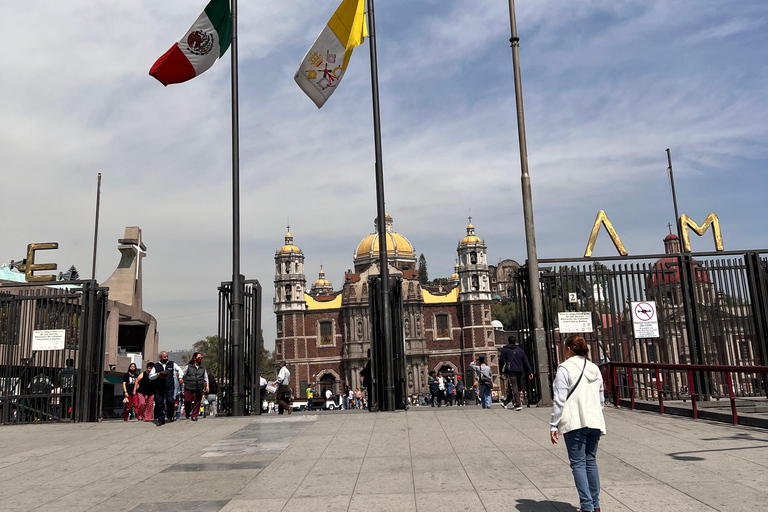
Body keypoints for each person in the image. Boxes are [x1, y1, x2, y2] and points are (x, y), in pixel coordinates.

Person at [550, 334, 606, 512]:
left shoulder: (565, 368)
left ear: (568, 349)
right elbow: (601, 399)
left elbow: (559, 400)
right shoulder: (595, 368)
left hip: (575, 422)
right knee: (591, 461)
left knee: (578, 464)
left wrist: (553, 425)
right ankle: (595, 505)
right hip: (595, 421)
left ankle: (587, 506)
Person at [149, 351, 184, 426]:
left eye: (167, 356)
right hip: (159, 387)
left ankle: (170, 415)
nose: (166, 358)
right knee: (159, 403)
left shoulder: (171, 364)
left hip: (169, 387)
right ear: (160, 357)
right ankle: (161, 419)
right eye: (164, 357)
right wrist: (158, 374)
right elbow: (150, 376)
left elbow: (180, 370)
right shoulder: (156, 366)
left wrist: (180, 377)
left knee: (170, 401)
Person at [499, 335, 534, 411]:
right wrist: (530, 371)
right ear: (515, 342)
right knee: (518, 387)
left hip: (511, 370)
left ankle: (517, 403)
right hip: (520, 370)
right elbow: (525, 361)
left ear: (508, 341)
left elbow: (501, 361)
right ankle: (516, 401)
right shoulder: (520, 350)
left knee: (514, 386)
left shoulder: (505, 350)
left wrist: (500, 370)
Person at [183, 352, 209, 421]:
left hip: (199, 386)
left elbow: (206, 377)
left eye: (201, 358)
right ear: (194, 358)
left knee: (197, 401)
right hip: (189, 385)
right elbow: (182, 373)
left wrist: (207, 386)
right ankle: (187, 411)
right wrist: (180, 379)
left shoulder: (202, 368)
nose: (200, 359)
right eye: (199, 358)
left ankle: (194, 415)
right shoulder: (188, 366)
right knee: (187, 400)